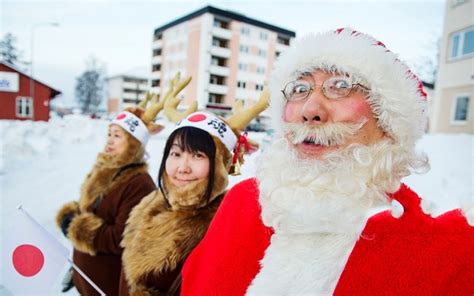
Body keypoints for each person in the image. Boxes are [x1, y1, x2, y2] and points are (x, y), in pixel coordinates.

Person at [181, 28, 474, 295]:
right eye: (299, 89)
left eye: (340, 85)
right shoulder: (242, 202)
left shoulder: (434, 249)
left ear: (387, 118)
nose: (310, 110)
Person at [118, 99, 268, 295]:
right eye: (176, 154)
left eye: (197, 156)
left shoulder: (223, 223)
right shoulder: (151, 204)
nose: (183, 168)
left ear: (219, 164)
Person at [55, 99, 171, 295]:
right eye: (109, 134)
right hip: (85, 277)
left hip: (106, 283)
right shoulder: (105, 169)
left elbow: (121, 238)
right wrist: (72, 213)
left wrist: (77, 227)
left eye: (117, 136)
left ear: (134, 143)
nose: (109, 140)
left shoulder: (140, 184)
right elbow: (89, 207)